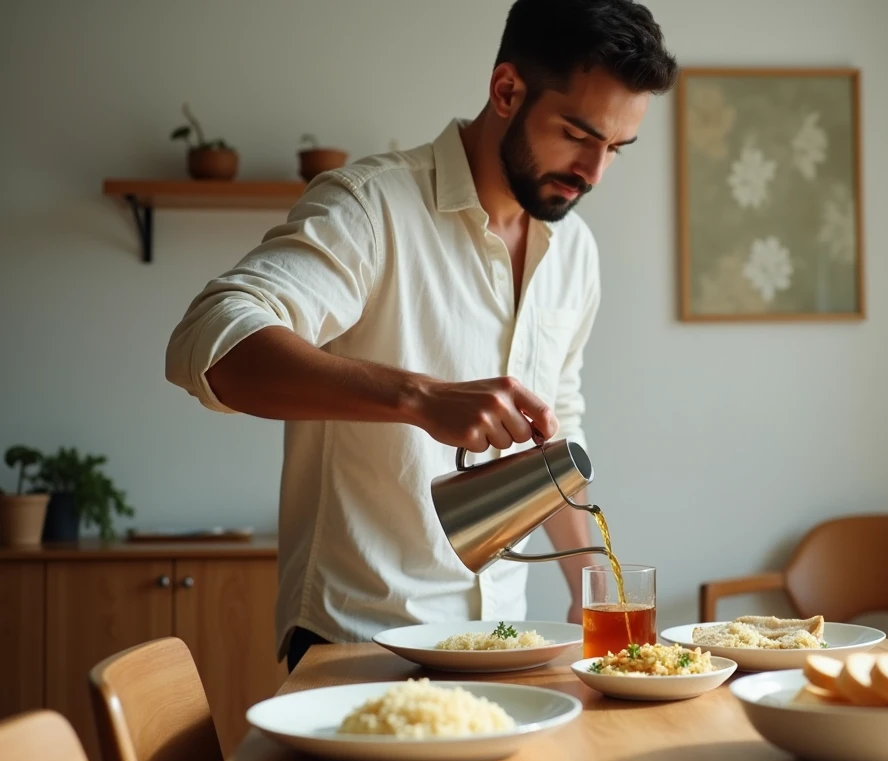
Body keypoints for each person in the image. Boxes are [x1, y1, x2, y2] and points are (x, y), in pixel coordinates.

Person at [163, 0, 678, 672]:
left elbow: (558, 429)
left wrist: (589, 582)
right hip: (359, 644)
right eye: (578, 134)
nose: (594, 172)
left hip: (505, 641)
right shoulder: (371, 206)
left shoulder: (574, 251)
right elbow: (210, 341)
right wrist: (418, 397)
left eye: (615, 148)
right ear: (506, 90)